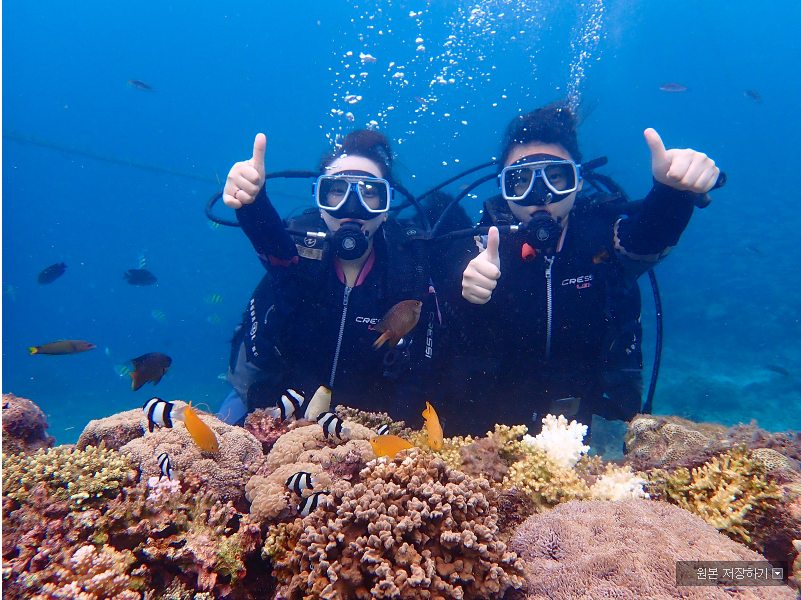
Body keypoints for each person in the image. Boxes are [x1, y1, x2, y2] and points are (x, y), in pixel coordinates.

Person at [446, 104, 720, 436]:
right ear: (503, 190)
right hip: (492, 416)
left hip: (577, 410)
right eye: (521, 180)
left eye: (556, 176)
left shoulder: (601, 236)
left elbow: (646, 238)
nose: (541, 194)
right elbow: (437, 315)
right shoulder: (481, 244)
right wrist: (464, 291)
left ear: (577, 182)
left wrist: (671, 194)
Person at [216, 130, 438, 425]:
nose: (352, 207)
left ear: (386, 210)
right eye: (337, 190)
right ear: (320, 201)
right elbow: (270, 243)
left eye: (370, 192)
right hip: (273, 404)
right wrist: (253, 205)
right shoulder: (298, 252)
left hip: (362, 425)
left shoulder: (408, 267)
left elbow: (423, 367)